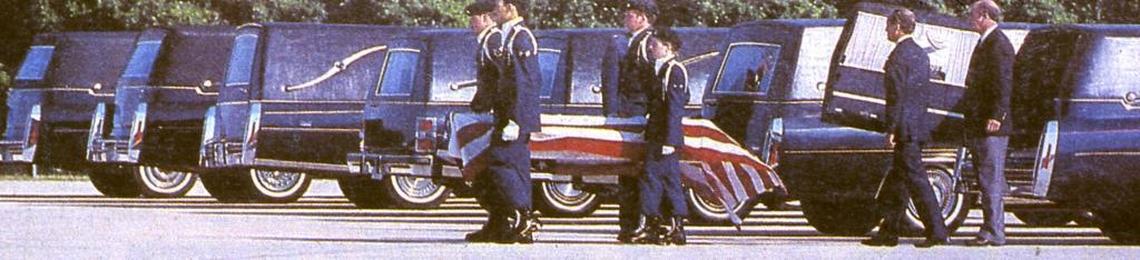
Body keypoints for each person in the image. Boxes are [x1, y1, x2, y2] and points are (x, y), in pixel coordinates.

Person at [862, 8, 950, 248]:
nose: (886, 30)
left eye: (888, 26)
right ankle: (888, 231)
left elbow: (897, 97)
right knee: (897, 180)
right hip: (917, 126)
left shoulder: (899, 56)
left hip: (905, 129)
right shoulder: (920, 54)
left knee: (916, 179)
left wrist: (891, 129)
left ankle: (937, 231)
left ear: (898, 26)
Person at [627, 27, 690, 245]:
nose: (651, 48)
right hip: (657, 135)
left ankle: (667, 225)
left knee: (658, 179)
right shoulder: (661, 69)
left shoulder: (674, 71)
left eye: (655, 44)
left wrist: (670, 141)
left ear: (668, 47)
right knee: (658, 179)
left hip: (665, 137)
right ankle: (661, 223)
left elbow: (675, 107)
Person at [486, 0, 542, 244]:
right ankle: (522, 220)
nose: (493, 11)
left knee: (502, 162)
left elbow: (526, 82)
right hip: (506, 114)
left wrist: (517, 120)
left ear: (511, 7)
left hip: (514, 117)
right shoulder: (508, 36)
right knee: (516, 169)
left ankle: (523, 215)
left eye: (497, 6)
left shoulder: (520, 37)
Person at [962, 0, 1013, 247]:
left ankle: (994, 230)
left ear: (983, 15)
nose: (969, 19)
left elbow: (1004, 84)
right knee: (985, 177)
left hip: (991, 124)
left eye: (972, 15)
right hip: (980, 121)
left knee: (990, 177)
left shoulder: (998, 44)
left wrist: (997, 115)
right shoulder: (986, 42)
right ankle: (991, 228)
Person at [611, 0, 659, 244]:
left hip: (639, 112)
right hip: (630, 112)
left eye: (629, 14)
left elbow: (653, 82)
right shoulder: (634, 42)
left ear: (642, 17)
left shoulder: (648, 43)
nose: (625, 18)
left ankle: (640, 222)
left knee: (638, 171)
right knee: (628, 171)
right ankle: (629, 223)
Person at [463, 0, 509, 243]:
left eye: (477, 16)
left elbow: (502, 79)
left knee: (490, 172)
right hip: (488, 113)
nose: (473, 21)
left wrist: (489, 106)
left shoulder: (493, 41)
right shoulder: (486, 42)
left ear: (489, 18)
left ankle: (500, 221)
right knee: (486, 174)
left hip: (494, 116)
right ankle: (495, 220)